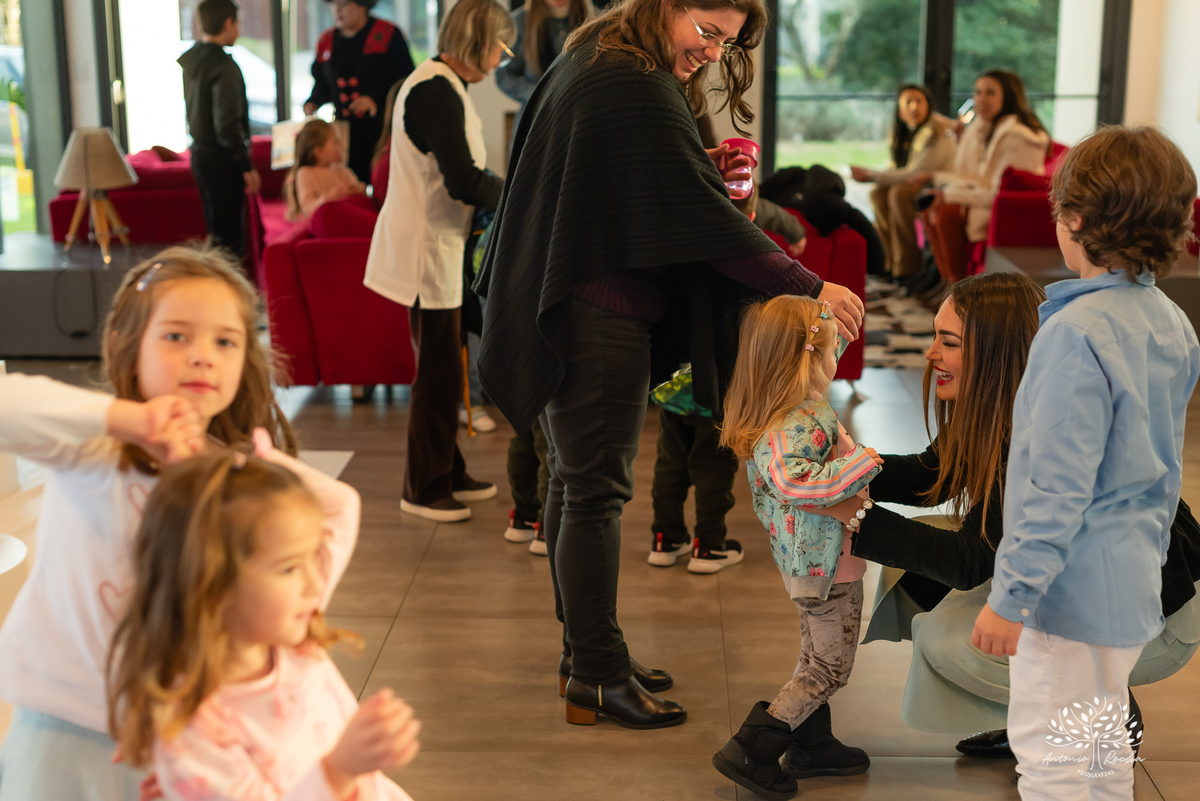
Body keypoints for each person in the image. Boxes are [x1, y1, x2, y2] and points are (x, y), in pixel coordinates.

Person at [475, 0, 865, 730]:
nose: (713, 53)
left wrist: (694, 164)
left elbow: (623, 181)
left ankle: (587, 651)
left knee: (573, 478)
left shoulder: (605, 55)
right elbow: (700, 218)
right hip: (598, 310)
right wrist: (810, 283)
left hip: (574, 302)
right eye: (707, 32)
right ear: (666, 6)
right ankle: (595, 671)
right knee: (595, 489)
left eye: (726, 41)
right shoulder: (633, 80)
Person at [810, 269, 1200, 764]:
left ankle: (1101, 718)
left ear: (994, 354)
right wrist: (846, 471)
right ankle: (1041, 717)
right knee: (921, 572)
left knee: (952, 641)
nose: (931, 355)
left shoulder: (1037, 430)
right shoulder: (1008, 401)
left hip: (1157, 619)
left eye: (947, 342)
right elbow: (934, 474)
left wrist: (858, 515)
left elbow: (972, 560)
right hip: (1103, 594)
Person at [0, 246, 297, 800]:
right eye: (177, 336)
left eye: (225, 341)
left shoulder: (238, 480)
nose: (202, 356)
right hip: (60, 725)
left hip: (180, 737)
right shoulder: (94, 445)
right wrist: (124, 419)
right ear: (124, 344)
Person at [970, 126, 1199, 799]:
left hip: (1068, 601)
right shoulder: (1171, 322)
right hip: (1129, 587)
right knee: (1102, 754)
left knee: (1052, 765)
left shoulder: (1072, 334)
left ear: (1072, 221)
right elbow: (1167, 470)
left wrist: (1011, 596)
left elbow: (1055, 487)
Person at [108, 446, 420, 800]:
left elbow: (342, 505)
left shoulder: (291, 642)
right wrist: (338, 771)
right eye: (289, 568)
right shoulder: (195, 728)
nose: (315, 584)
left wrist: (263, 460)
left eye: (312, 559)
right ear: (212, 587)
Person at [713, 295, 880, 799]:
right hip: (827, 569)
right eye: (831, 352)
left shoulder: (793, 405)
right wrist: (864, 462)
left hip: (820, 563)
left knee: (814, 657)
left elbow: (819, 349)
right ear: (807, 360)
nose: (838, 360)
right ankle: (753, 747)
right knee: (829, 667)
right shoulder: (794, 424)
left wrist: (832, 320)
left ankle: (813, 742)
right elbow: (797, 482)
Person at [363, 0, 515, 523]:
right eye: (500, 44)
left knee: (446, 368)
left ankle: (448, 471)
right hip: (424, 249)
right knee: (438, 373)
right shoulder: (434, 90)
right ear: (479, 41)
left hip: (441, 245)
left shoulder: (447, 86)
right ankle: (423, 487)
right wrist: (522, 192)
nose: (503, 57)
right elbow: (465, 180)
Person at [647, 185, 766, 574]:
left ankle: (665, 538)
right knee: (713, 468)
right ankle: (708, 544)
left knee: (670, 463)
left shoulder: (679, 251)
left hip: (672, 386)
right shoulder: (745, 265)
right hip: (716, 388)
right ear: (747, 221)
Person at [918, 69, 1049, 282]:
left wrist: (949, 195)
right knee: (931, 206)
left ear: (1008, 96)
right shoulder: (986, 127)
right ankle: (944, 282)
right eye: (977, 92)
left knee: (944, 212)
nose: (981, 99)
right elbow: (969, 172)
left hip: (1006, 211)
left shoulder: (1017, 136)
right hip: (987, 200)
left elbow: (995, 192)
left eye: (990, 93)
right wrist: (962, 139)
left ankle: (959, 288)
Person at [179, 0, 261, 261]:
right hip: (221, 160)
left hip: (200, 155)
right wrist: (246, 166)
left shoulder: (193, 60)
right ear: (228, 23)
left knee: (216, 232)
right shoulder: (224, 66)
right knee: (229, 239)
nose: (238, 29)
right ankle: (226, 297)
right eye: (237, 23)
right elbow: (227, 125)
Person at [850, 84, 956, 281]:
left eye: (919, 101)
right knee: (877, 193)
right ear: (900, 109)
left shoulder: (937, 132)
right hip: (918, 184)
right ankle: (890, 262)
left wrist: (870, 174)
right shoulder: (905, 131)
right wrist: (874, 177)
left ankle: (908, 267)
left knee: (897, 192)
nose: (914, 107)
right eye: (908, 102)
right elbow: (898, 168)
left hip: (939, 186)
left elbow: (915, 173)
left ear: (929, 105)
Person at [304, 0, 416, 184]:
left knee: (383, 182)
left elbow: (405, 82)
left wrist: (375, 100)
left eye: (344, 4)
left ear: (363, 5)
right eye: (333, 5)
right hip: (344, 135)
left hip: (382, 131)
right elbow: (322, 83)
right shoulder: (327, 40)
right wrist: (313, 101)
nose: (338, 10)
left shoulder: (388, 34)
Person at [495, 0, 593, 132]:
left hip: (580, 119)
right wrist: (539, 95)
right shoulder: (520, 22)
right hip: (535, 121)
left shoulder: (595, 20)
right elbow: (504, 75)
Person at [286, 119, 366, 220]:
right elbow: (307, 209)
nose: (341, 145)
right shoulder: (305, 172)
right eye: (336, 142)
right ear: (318, 151)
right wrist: (330, 197)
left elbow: (359, 191)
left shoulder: (342, 169)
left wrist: (358, 189)